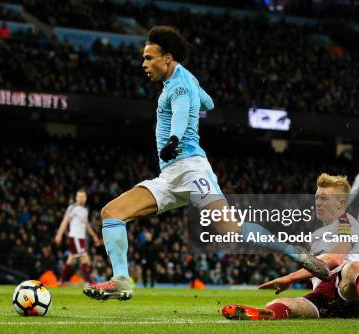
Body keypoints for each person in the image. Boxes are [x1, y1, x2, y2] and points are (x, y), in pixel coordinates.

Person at [83, 26, 328, 301]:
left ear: (167, 58)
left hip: (191, 168)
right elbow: (208, 104)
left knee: (232, 232)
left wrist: (173, 139)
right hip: (170, 176)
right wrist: (196, 91)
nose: (144, 64)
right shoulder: (186, 79)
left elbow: (180, 113)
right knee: (112, 212)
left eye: (149, 58)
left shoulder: (177, 86)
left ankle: (296, 252)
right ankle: (121, 280)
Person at [222, 174, 359, 320]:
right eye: (317, 197)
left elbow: (334, 260)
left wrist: (289, 278)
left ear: (341, 204)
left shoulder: (346, 223)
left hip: (346, 292)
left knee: (352, 268)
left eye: (325, 198)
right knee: (280, 304)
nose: (318, 202)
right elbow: (318, 268)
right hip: (323, 297)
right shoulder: (317, 234)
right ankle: (264, 314)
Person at [55, 190, 100, 285]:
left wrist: (94, 235)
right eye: (79, 196)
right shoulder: (72, 207)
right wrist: (59, 234)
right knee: (85, 258)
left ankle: (61, 281)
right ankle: (90, 282)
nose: (81, 198)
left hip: (81, 238)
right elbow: (65, 221)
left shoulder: (85, 210)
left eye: (83, 196)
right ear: (76, 197)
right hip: (75, 237)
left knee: (71, 258)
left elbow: (86, 224)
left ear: (86, 198)